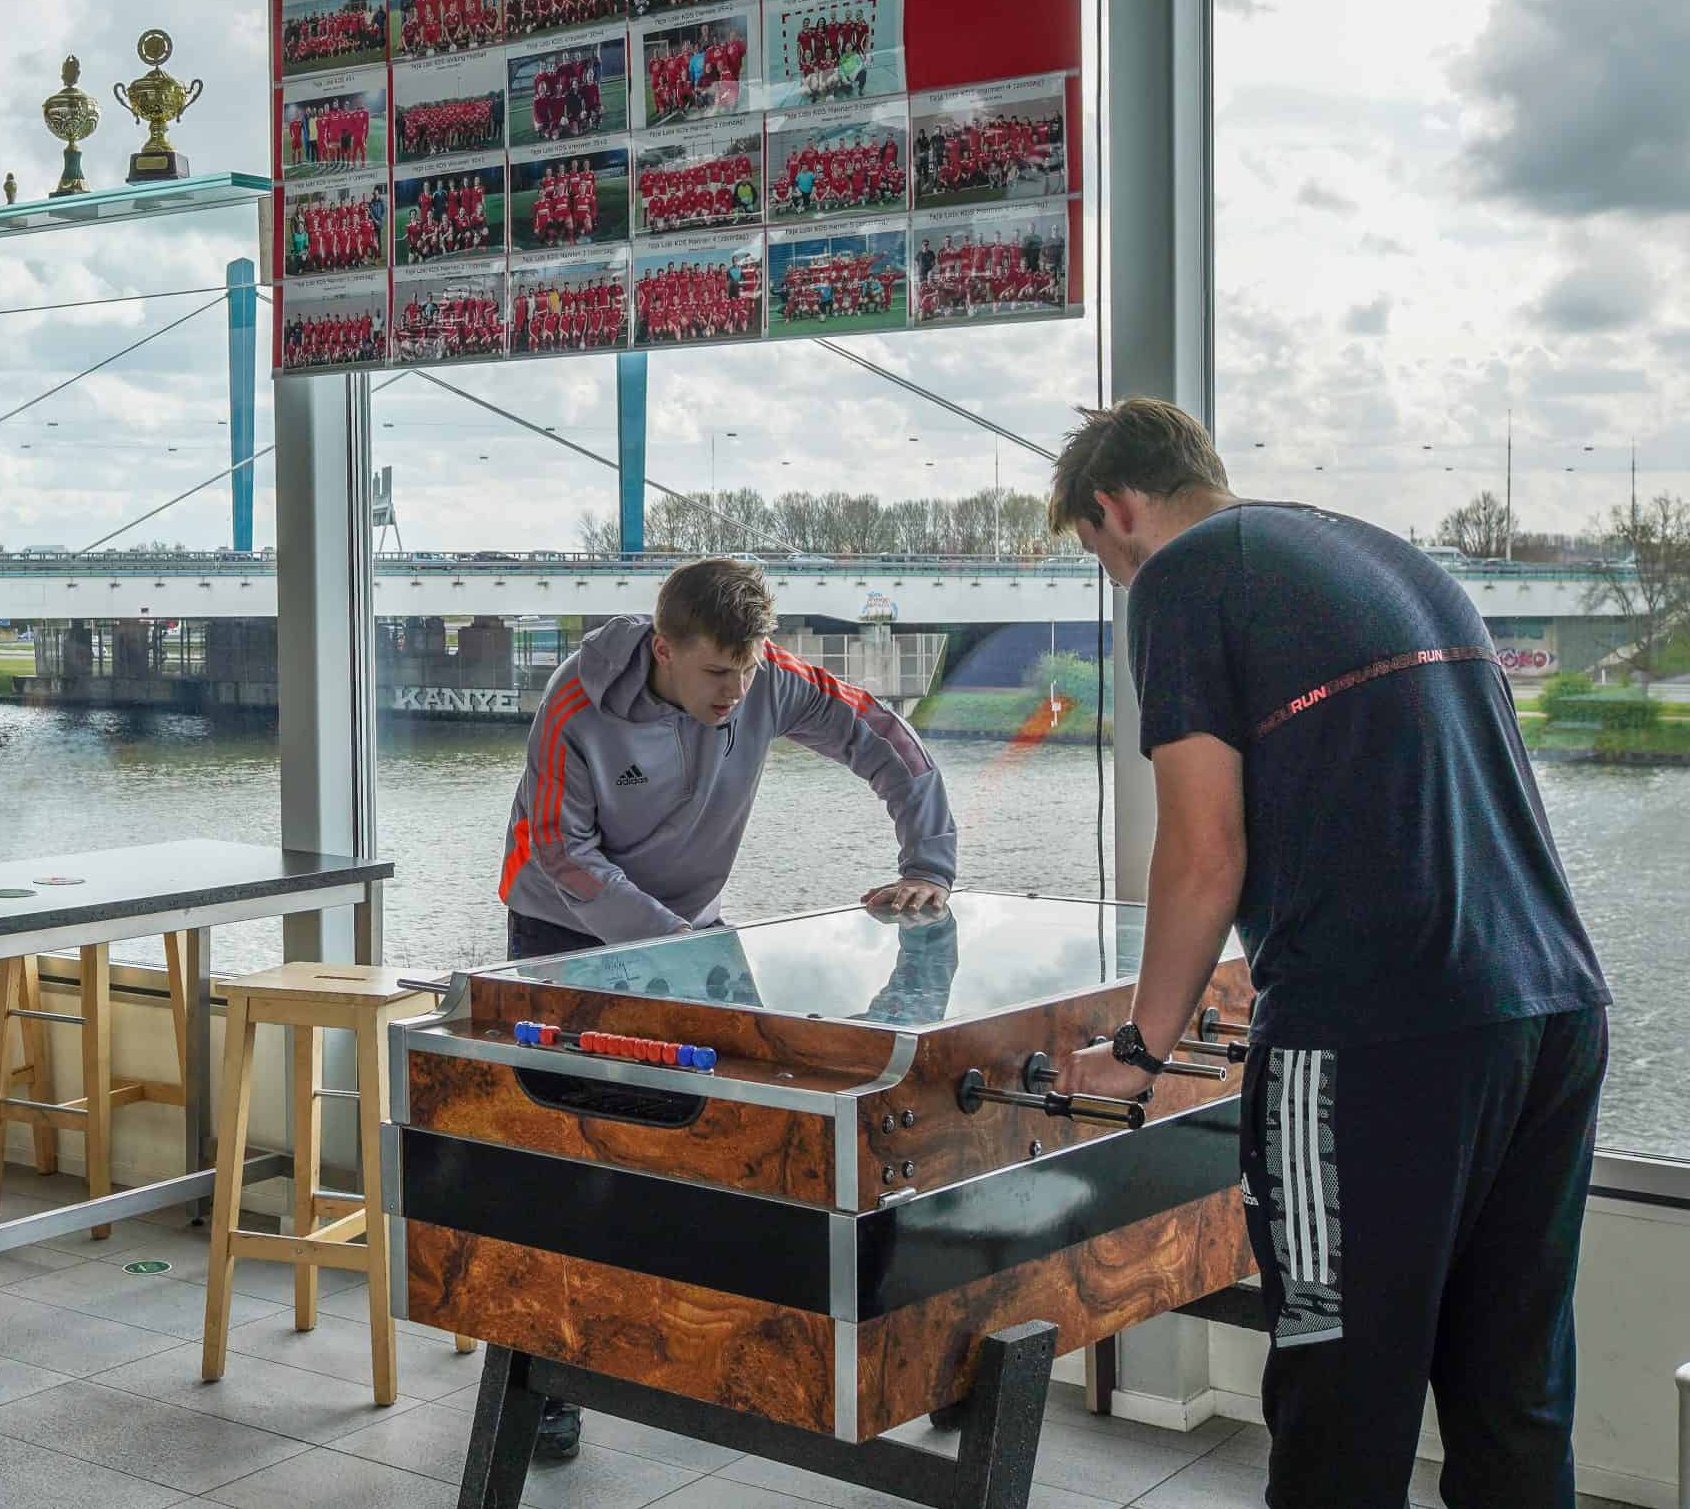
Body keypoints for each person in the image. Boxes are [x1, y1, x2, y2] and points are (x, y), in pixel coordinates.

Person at [1045, 399, 1609, 1508]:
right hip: (1551, 1010)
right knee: (1513, 1404)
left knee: (1339, 1407)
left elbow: (1202, 852)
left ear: (1116, 508)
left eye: (1100, 555)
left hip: (1371, 1039)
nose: (1117, 580)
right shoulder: (1389, 556)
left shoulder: (1182, 577)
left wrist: (1139, 1051)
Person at [495, 557, 957, 1461]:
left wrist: (928, 866)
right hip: (563, 932)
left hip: (693, 934)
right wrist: (677, 944)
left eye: (746, 670)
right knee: (560, 1155)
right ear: (664, 649)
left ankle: (733, 1341)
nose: (735, 691)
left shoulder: (766, 679)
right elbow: (559, 848)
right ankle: (545, 1381)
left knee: (728, 1142)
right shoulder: (576, 702)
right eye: (716, 672)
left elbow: (884, 738)